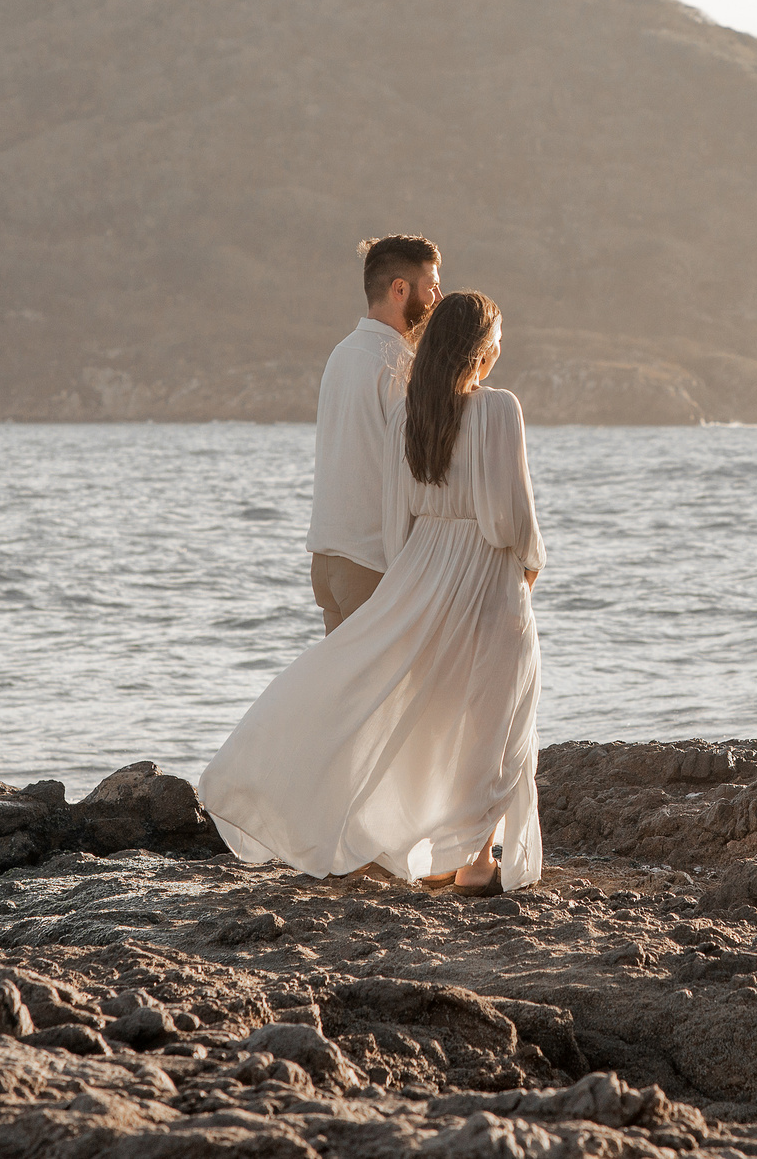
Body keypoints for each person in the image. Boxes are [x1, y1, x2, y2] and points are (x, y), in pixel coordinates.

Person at [200, 290, 547, 895]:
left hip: (423, 573)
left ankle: (441, 852)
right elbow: (508, 520)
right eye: (496, 341)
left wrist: (412, 584)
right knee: (494, 720)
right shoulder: (500, 409)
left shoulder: (408, 415)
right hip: (487, 576)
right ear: (480, 349)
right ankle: (473, 862)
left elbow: (397, 522)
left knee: (413, 710)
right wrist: (531, 566)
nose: (498, 352)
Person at [307, 235, 441, 633]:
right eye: (431, 284)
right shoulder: (399, 363)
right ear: (400, 289)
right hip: (370, 564)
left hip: (328, 560)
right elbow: (415, 467)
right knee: (386, 694)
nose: (437, 296)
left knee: (347, 693)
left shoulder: (341, 353)